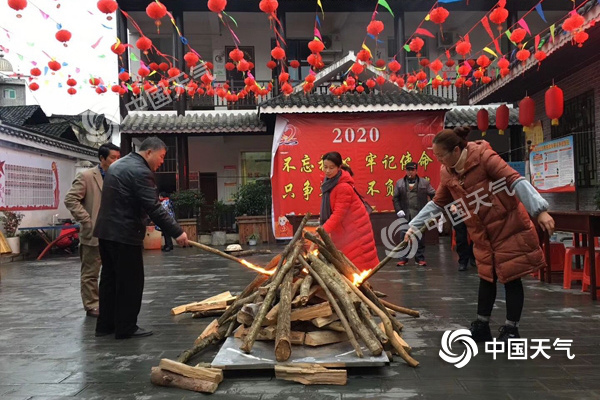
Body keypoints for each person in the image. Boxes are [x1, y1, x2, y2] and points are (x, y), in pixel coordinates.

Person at [404, 126, 554, 342]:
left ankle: (511, 329)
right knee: (486, 278)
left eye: (440, 155)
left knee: (511, 277)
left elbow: (515, 179)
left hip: (507, 227)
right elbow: (438, 203)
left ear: (456, 150)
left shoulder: (484, 157)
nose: (438, 160)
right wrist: (414, 226)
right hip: (482, 233)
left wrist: (539, 210)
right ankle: (482, 325)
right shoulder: (447, 172)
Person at [93, 137, 189, 339]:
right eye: (161, 156)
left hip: (106, 231)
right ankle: (126, 327)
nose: (162, 161)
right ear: (148, 153)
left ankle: (105, 326)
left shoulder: (119, 165)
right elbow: (154, 207)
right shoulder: (140, 171)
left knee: (110, 280)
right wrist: (177, 232)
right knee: (130, 282)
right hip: (124, 233)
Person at [64, 143, 121, 318]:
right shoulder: (87, 176)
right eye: (113, 158)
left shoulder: (118, 177)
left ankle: (109, 302)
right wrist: (87, 220)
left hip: (114, 232)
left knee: (113, 271)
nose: (116, 161)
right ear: (102, 158)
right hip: (94, 231)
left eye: (119, 158)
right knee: (90, 272)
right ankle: (92, 304)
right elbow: (70, 199)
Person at [320, 151, 379, 272]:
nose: (327, 171)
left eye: (331, 168)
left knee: (355, 268)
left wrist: (323, 231)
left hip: (355, 232)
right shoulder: (330, 183)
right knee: (348, 268)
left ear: (339, 167)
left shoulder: (343, 187)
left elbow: (338, 214)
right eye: (325, 167)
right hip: (347, 230)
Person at [392, 162, 435, 267]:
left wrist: (431, 209)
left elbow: (434, 194)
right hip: (405, 214)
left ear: (416, 170)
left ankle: (419, 258)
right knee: (403, 236)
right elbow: (395, 198)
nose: (410, 172)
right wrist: (398, 210)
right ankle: (403, 258)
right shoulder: (400, 183)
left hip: (419, 213)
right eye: (408, 170)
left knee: (420, 236)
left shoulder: (424, 183)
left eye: (412, 170)